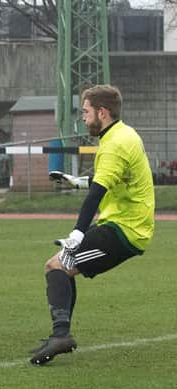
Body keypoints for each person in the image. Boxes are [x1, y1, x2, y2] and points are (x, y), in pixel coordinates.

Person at [31, 85, 154, 365]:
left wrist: (76, 233)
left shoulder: (115, 144)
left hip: (124, 230)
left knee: (56, 266)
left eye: (86, 112)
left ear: (102, 112)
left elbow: (97, 193)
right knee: (63, 269)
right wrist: (75, 181)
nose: (83, 118)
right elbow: (111, 180)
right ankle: (60, 334)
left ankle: (61, 335)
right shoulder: (123, 134)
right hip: (124, 224)